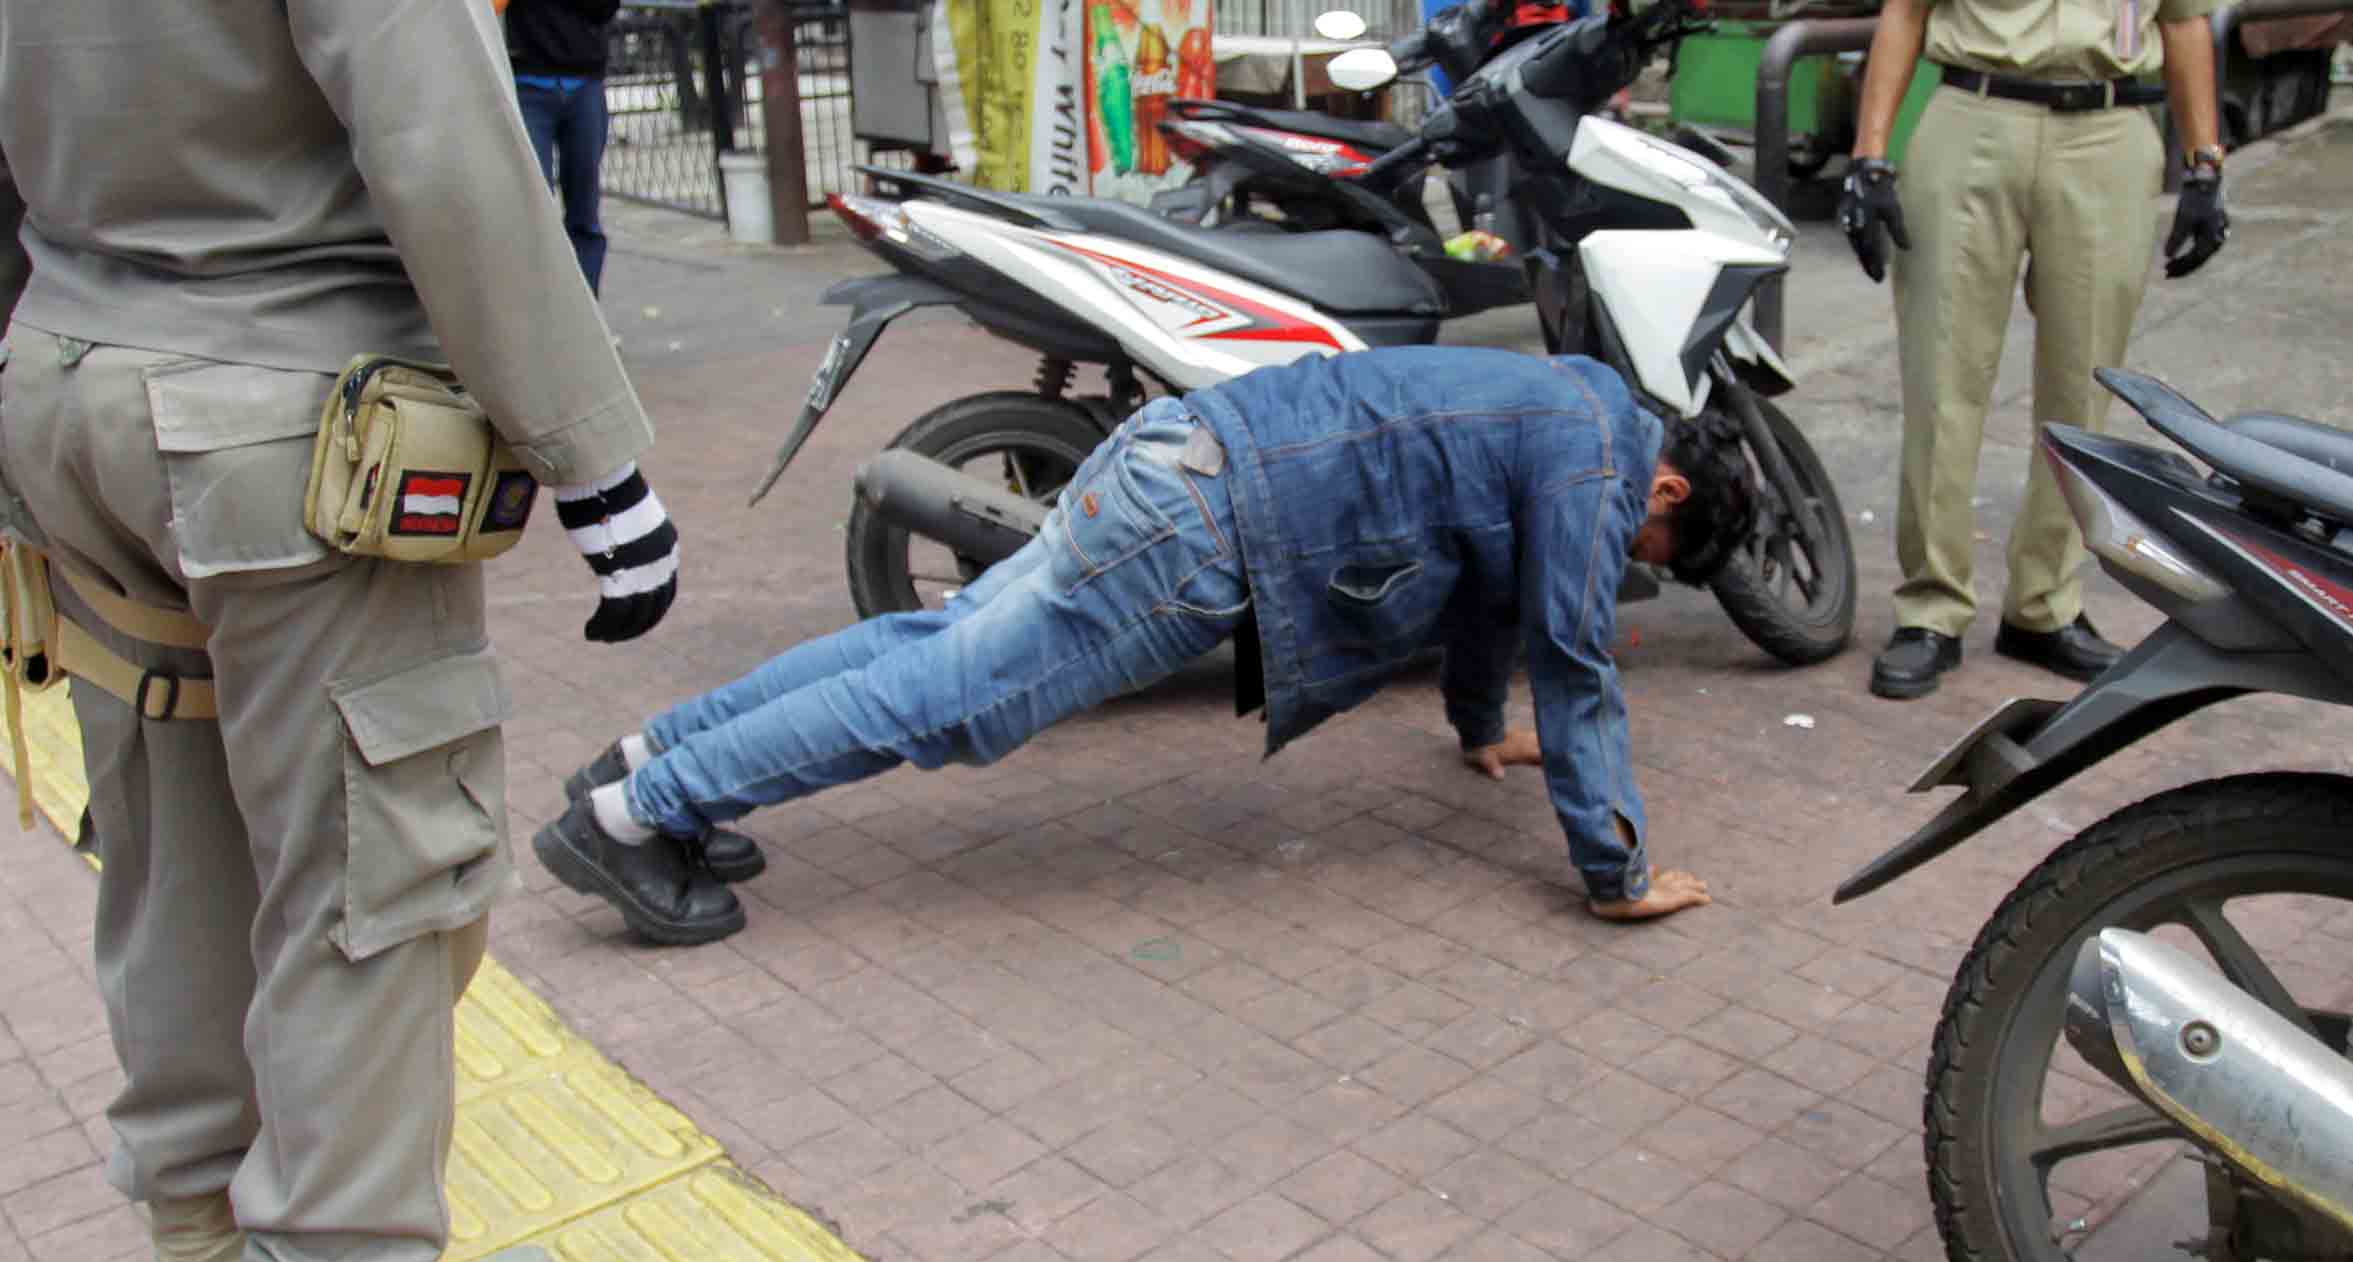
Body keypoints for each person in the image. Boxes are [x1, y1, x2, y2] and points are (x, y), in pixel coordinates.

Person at [0, 0, 685, 1262]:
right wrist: (593, 463)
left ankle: (200, 1245)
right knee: (369, 869)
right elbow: (447, 144)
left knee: (167, 834)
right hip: (290, 425)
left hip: (62, 387)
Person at [534, 347, 1749, 946]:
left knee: (934, 639)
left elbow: (1494, 597)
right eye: (1649, 546)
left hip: (1179, 454)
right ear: (1671, 488)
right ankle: (638, 817)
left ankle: (646, 765)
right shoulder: (1597, 462)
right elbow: (1577, 657)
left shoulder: (1571, 404)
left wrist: (1480, 730)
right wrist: (1619, 872)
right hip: (1199, 529)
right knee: (948, 696)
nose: (1629, 559)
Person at [1838, 0, 2229, 700]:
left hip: (2108, 136)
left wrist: (2204, 164)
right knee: (1941, 377)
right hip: (1971, 123)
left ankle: (2043, 605)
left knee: (2082, 385)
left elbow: (2183, 21)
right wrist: (1869, 157)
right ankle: (1931, 609)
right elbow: (1904, 13)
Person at [507, 0, 624, 294]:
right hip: (527, 82)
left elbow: (605, 8)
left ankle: (587, 313)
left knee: (585, 212)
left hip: (584, 82)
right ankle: (545, 313)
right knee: (534, 207)